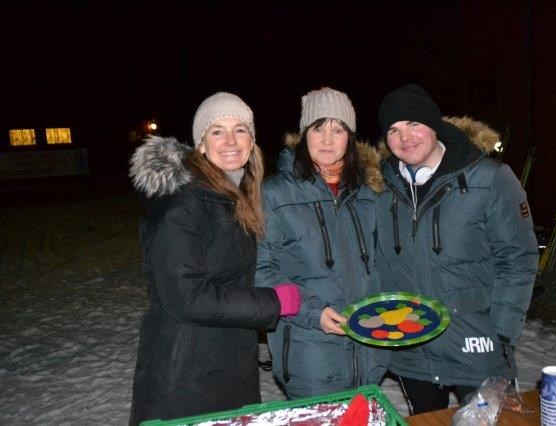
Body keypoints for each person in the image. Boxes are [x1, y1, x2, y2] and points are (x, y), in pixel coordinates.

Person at [128, 92, 301, 424]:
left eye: (240, 129)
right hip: (185, 374)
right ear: (201, 144)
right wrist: (273, 302)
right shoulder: (181, 205)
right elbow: (187, 297)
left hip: (229, 360)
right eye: (217, 131)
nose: (231, 140)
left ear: (252, 140)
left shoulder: (235, 197)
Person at [374, 83, 539, 414]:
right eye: (394, 129)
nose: (404, 137)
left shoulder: (490, 178)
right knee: (427, 421)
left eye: (414, 124)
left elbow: (518, 258)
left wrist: (502, 334)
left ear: (434, 125)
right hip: (412, 347)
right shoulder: (379, 187)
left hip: (477, 344)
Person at [256, 87, 388, 399]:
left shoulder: (368, 196)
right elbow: (261, 271)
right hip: (308, 353)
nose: (328, 139)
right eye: (319, 128)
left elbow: (383, 266)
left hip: (370, 351)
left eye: (338, 129)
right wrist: (312, 313)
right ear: (304, 135)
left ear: (350, 138)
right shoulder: (274, 195)